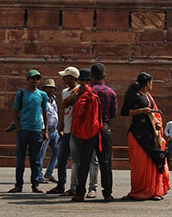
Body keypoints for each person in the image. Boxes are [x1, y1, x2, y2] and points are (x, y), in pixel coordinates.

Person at [120, 72, 171, 200]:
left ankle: (154, 191)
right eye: (151, 82)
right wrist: (142, 111)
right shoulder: (133, 96)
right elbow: (124, 112)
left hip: (151, 135)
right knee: (140, 165)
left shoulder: (148, 97)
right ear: (147, 83)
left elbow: (156, 115)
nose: (152, 85)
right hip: (137, 135)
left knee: (153, 162)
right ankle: (138, 191)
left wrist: (158, 124)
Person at [72, 66, 115, 202]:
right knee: (106, 162)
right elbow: (113, 114)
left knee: (84, 161)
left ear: (92, 76)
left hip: (88, 129)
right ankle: (107, 193)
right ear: (104, 75)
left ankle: (80, 193)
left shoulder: (85, 90)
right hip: (104, 128)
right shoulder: (110, 92)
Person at [9, 69, 49, 193]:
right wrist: (18, 126)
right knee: (20, 159)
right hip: (24, 130)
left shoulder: (42, 95)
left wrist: (46, 130)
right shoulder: (21, 94)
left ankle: (35, 184)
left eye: (37, 79)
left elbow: (45, 112)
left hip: (36, 130)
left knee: (35, 160)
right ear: (28, 79)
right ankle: (19, 185)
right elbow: (15, 111)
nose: (35, 81)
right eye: (33, 78)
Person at [47, 66, 79, 195]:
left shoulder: (80, 91)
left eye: (65, 76)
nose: (63, 78)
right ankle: (61, 185)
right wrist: (60, 127)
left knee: (76, 160)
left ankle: (75, 186)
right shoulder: (65, 92)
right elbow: (63, 111)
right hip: (66, 129)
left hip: (76, 130)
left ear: (72, 77)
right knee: (62, 159)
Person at [36, 78, 60, 184]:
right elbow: (40, 115)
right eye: (49, 88)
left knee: (59, 150)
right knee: (41, 153)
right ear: (45, 89)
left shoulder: (53, 99)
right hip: (45, 130)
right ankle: (38, 175)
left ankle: (49, 173)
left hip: (54, 131)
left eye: (52, 88)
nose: (51, 90)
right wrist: (43, 130)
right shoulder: (42, 99)